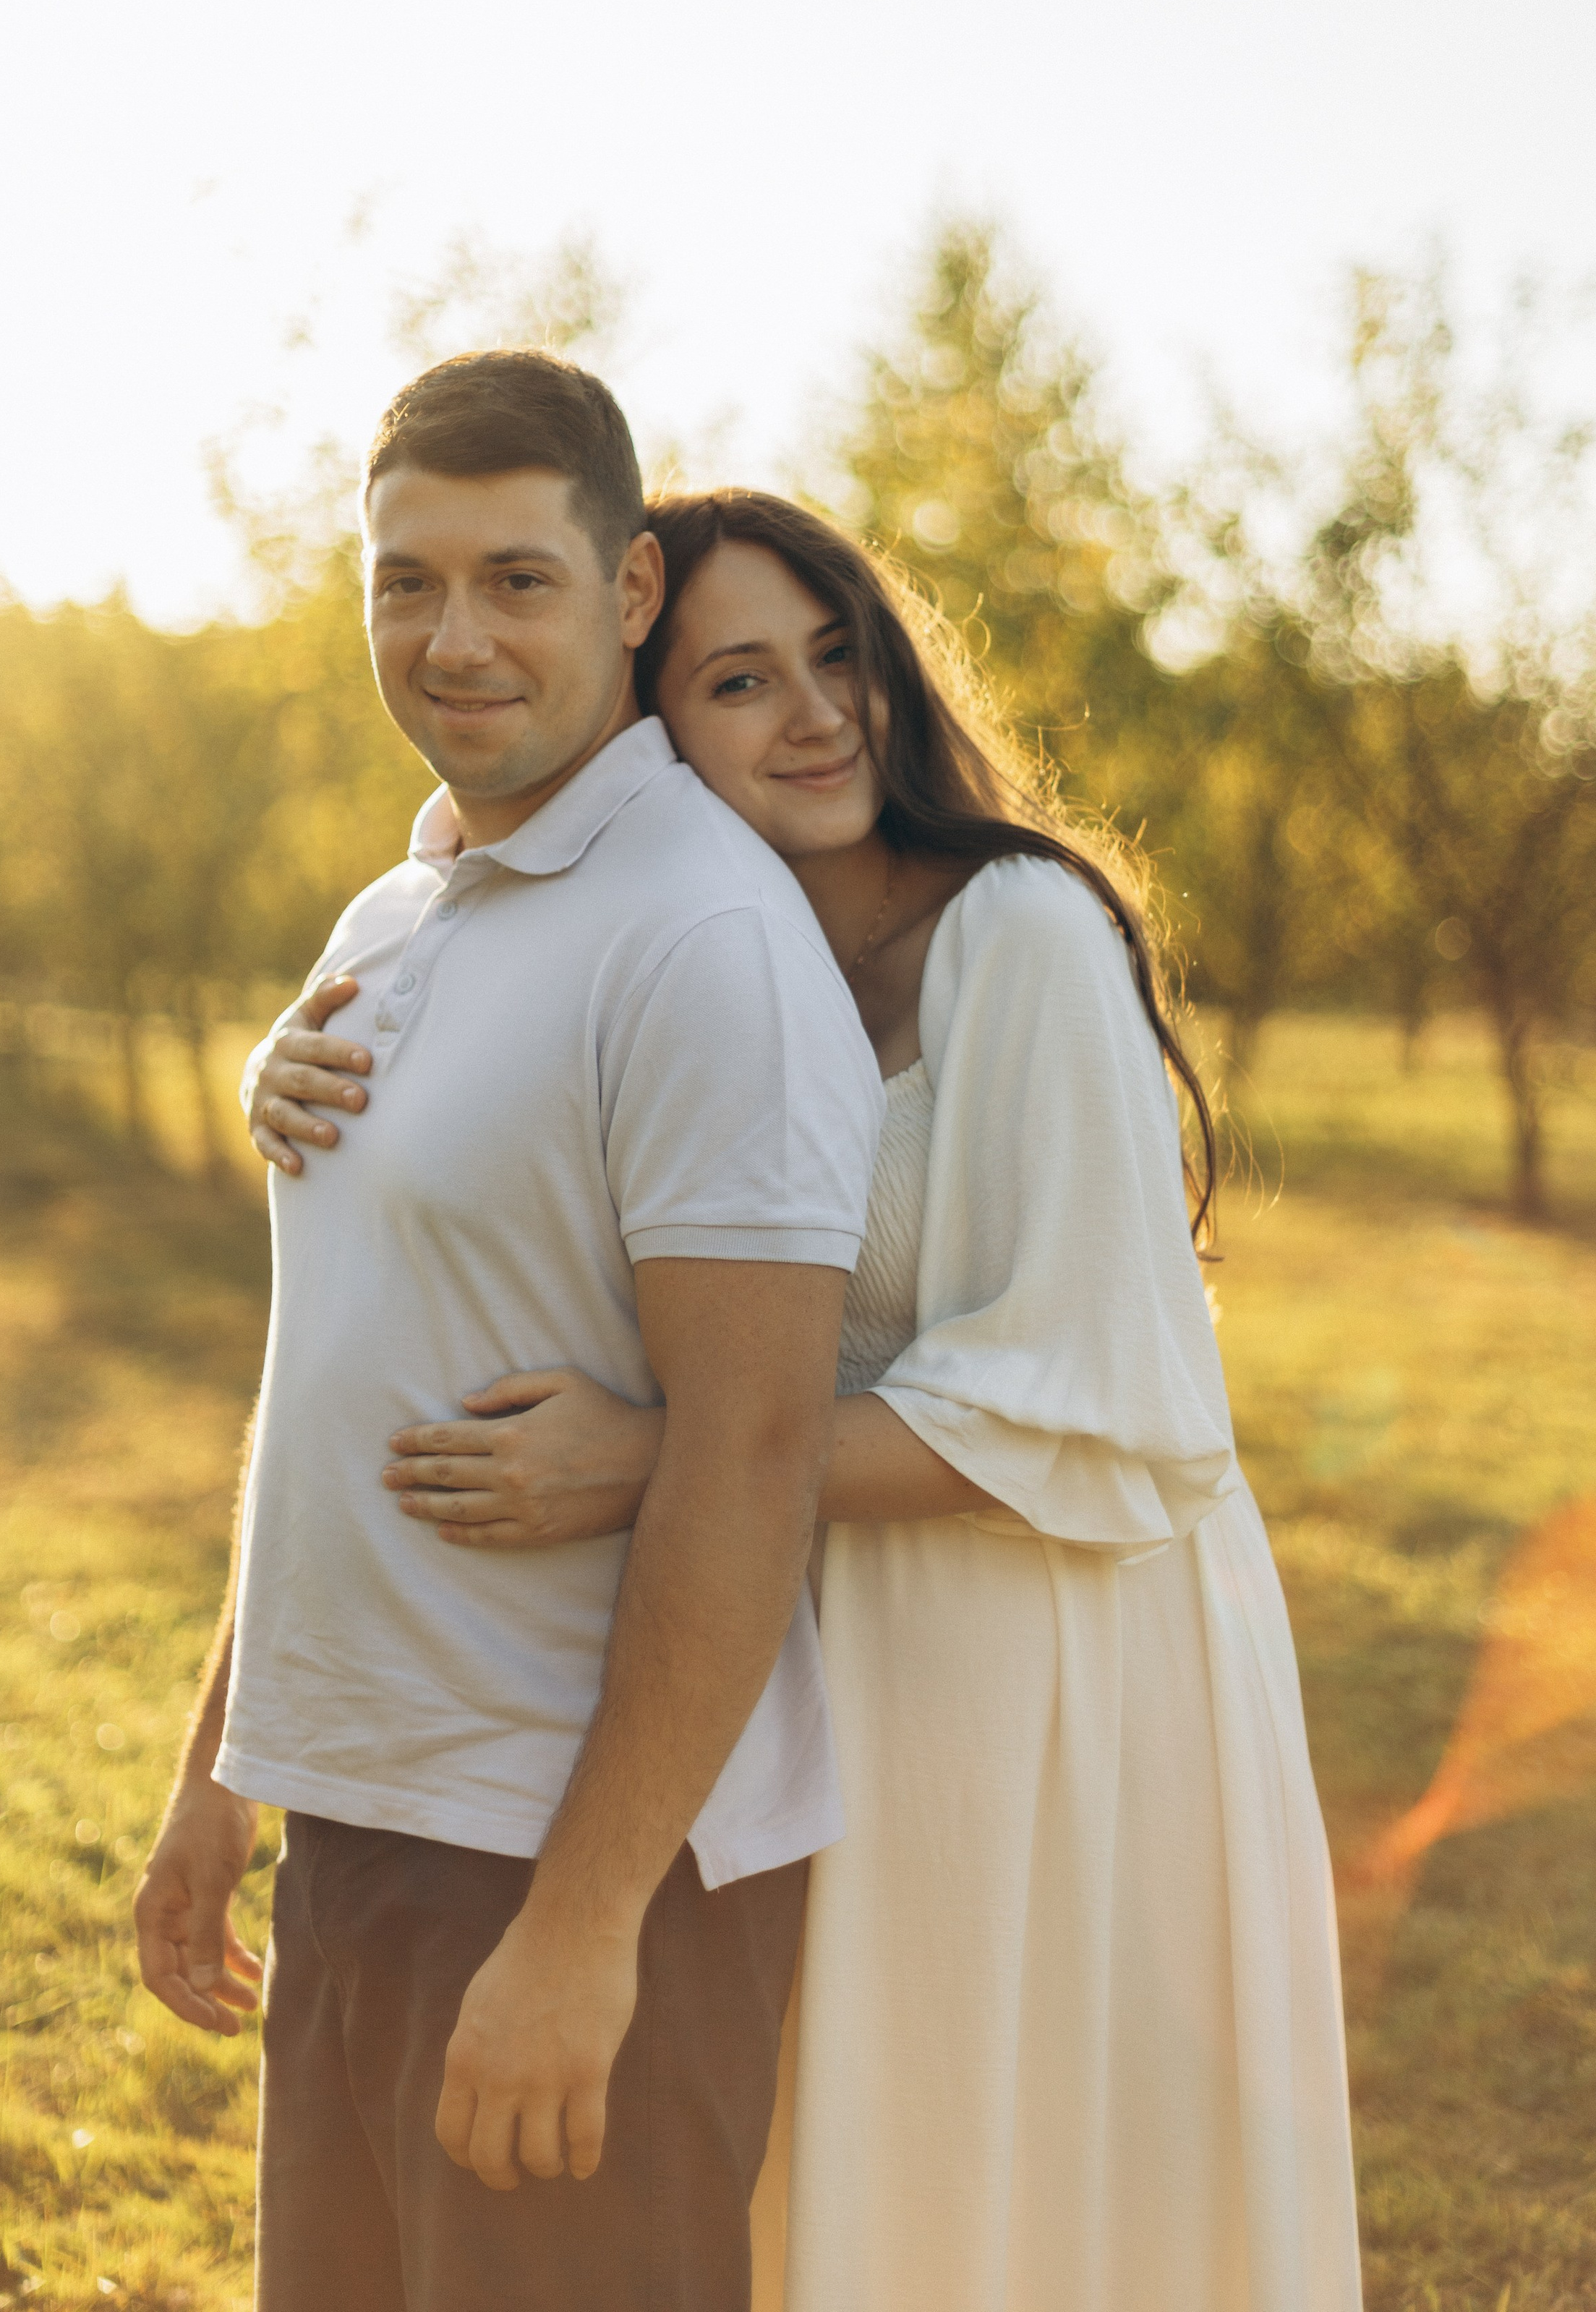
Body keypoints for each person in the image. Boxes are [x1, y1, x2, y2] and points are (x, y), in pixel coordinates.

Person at [253, 487, 1365, 2312]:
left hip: (1050, 1646)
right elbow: (464, 860)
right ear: (648, 729)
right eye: (740, 681)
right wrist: (280, 1058)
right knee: (843, 2172)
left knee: (1016, 2155)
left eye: (838, 658)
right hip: (815, 1635)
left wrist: (655, 1459)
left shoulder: (1013, 932)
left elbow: (1098, 1400)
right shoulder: (713, 954)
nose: (816, 716)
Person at [138, 366, 884, 2312]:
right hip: (365, 1835)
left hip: (561, 1868)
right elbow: (344, 1353)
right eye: (406, 583)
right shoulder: (394, 912)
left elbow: (749, 1451)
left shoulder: (701, 939)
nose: (453, 640)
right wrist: (229, 1759)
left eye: (517, 582)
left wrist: (582, 1927)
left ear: (632, 590)